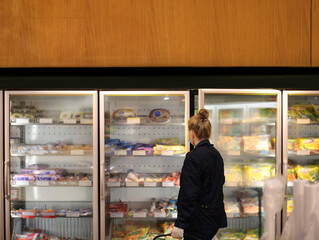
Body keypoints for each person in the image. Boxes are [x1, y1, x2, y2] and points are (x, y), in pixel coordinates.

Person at [171, 109, 227, 240]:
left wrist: (180, 224)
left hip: (198, 221)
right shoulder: (216, 154)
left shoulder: (193, 157)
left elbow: (188, 193)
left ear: (192, 133)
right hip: (213, 219)